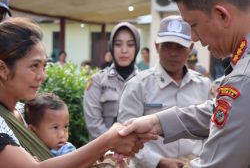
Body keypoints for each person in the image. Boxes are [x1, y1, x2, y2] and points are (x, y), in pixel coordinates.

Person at [118, 0, 250, 167]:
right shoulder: (138, 84)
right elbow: (221, 113)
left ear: (222, 15)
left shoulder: (242, 79)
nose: (194, 38)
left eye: (194, 25)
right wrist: (157, 122)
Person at [0, 17, 155, 168]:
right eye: (34, 66)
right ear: (2, 69)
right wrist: (108, 140)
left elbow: (55, 157)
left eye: (44, 66)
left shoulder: (24, 112)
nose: (42, 75)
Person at [118, 16, 212, 168]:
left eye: (180, 46)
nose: (173, 53)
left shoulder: (204, 85)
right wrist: (158, 162)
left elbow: (211, 131)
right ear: (156, 46)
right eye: (167, 45)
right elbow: (125, 135)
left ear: (190, 47)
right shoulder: (137, 85)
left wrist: (200, 160)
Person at [83, 22, 140, 139]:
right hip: (104, 153)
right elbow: (94, 125)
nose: (124, 50)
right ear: (111, 47)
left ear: (137, 48)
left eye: (130, 44)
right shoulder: (97, 81)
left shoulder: (145, 82)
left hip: (139, 153)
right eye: (118, 44)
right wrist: (116, 146)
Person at [25, 93, 76, 157]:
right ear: (33, 131)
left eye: (65, 127)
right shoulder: (26, 150)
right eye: (55, 127)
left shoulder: (66, 150)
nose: (62, 134)